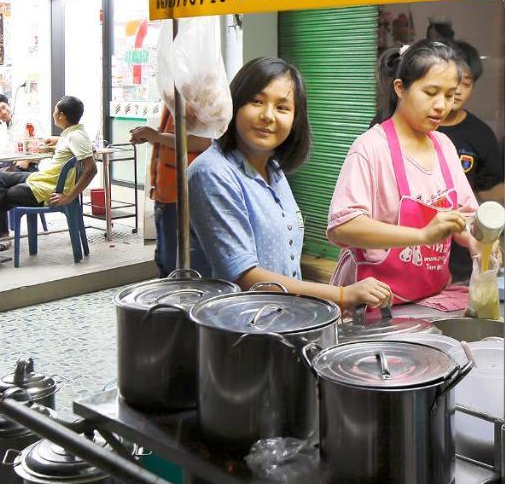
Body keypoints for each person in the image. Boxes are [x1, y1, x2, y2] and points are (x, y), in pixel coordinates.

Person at [189, 57, 390, 308]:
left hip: (278, 321)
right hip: (233, 329)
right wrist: (340, 295)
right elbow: (244, 275)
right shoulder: (212, 172)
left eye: (282, 108)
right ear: (235, 105)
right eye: (257, 101)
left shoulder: (272, 169)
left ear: (295, 119)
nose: (267, 116)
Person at [327, 40, 480, 306]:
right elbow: (343, 226)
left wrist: (477, 240)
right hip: (375, 305)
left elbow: (465, 217)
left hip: (430, 300)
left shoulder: (444, 145)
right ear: (400, 88)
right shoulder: (371, 147)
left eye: (449, 95)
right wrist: (422, 236)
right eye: (431, 92)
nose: (441, 106)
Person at [439, 40, 505, 281]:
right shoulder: (415, 130)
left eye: (465, 84)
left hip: (459, 256)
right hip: (410, 253)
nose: (456, 91)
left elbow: (487, 193)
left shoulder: (480, 135)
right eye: (450, 83)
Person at [0, 96, 98, 269]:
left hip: (47, 188)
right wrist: (57, 140)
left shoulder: (75, 137)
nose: (53, 113)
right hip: (43, 179)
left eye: (56, 110)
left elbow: (91, 169)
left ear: (62, 115)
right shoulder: (73, 134)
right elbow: (87, 147)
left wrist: (70, 196)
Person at [131, 106, 210, 277]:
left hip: (183, 195)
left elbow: (203, 141)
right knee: (165, 257)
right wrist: (151, 136)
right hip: (166, 193)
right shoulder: (172, 101)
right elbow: (173, 140)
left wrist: (157, 136)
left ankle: (180, 297)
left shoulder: (196, 100)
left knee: (176, 261)